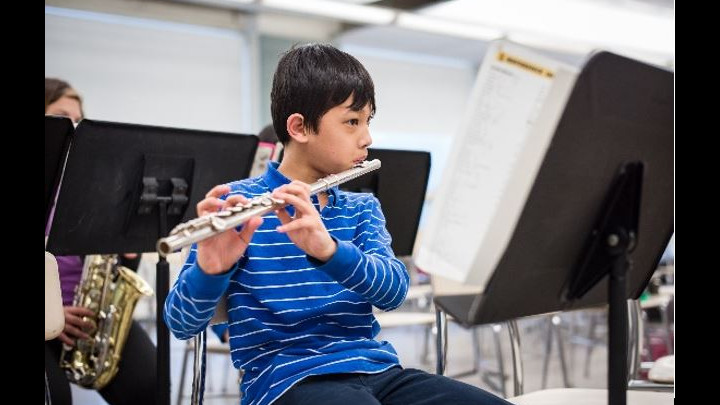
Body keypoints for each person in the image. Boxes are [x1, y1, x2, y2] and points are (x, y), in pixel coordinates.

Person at [164, 44, 512, 405]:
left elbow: (392, 293)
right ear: (299, 127)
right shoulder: (237, 206)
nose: (367, 138)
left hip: (378, 372)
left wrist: (328, 252)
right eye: (352, 121)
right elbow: (181, 323)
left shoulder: (362, 208)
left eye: (368, 121)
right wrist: (210, 269)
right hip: (284, 381)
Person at [44, 77, 157, 405]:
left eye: (79, 120)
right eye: (63, 117)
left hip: (90, 315)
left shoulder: (85, 183)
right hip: (50, 316)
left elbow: (111, 267)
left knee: (152, 384)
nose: (74, 129)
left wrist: (128, 246)